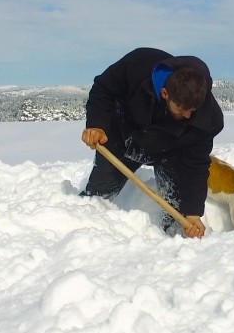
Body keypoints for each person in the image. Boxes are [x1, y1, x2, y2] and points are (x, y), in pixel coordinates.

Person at [80, 47, 224, 238]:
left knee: (176, 211)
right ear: (165, 94)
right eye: (181, 110)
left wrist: (194, 212)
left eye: (192, 110)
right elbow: (103, 90)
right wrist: (97, 125)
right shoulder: (138, 65)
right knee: (97, 197)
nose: (188, 115)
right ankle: (81, 229)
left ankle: (164, 240)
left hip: (171, 152)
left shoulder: (208, 118)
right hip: (123, 137)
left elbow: (196, 164)